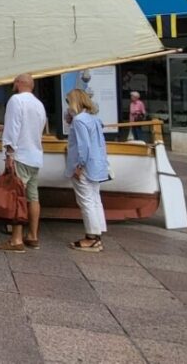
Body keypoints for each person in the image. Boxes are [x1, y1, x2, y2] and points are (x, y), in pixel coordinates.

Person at [0, 73, 47, 253]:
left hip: (20, 156)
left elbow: (14, 129)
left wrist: (9, 154)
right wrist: (2, 127)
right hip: (35, 156)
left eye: (14, 81)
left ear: (19, 83)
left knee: (17, 197)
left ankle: (16, 240)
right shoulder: (39, 105)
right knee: (33, 197)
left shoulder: (16, 100)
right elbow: (33, 127)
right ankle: (33, 236)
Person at [65, 88, 109, 252]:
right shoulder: (94, 119)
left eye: (69, 102)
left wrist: (79, 166)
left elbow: (84, 146)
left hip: (84, 166)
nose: (68, 106)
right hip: (97, 166)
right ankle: (97, 235)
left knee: (86, 201)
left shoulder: (79, 120)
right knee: (95, 199)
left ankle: (91, 237)